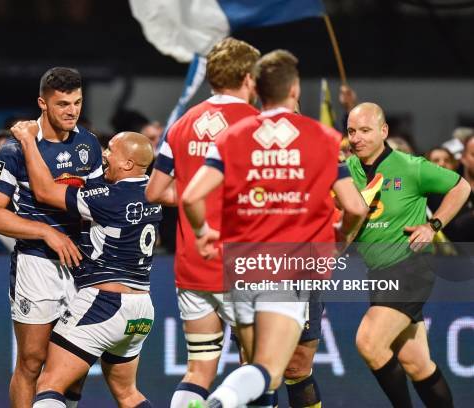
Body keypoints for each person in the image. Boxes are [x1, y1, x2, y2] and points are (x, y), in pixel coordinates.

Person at [182, 49, 368, 408]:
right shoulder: (324, 139)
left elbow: (191, 196)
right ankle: (221, 401)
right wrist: (341, 237)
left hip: (244, 269)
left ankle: (225, 399)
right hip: (296, 268)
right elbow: (356, 206)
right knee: (273, 368)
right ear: (295, 88)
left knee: (263, 366)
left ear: (255, 87)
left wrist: (203, 230)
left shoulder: (231, 137)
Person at [9, 121, 162, 408]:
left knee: (48, 383)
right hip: (141, 309)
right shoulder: (154, 195)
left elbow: (43, 191)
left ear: (128, 163)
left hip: (106, 304)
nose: (104, 154)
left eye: (111, 151)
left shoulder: (110, 198)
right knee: (128, 393)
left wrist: (29, 141)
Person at [145, 37, 260, 407]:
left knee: (198, 370)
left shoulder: (181, 125)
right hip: (242, 266)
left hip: (193, 265)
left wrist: (202, 195)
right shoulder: (258, 125)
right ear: (246, 77)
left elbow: (156, 191)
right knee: (258, 369)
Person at [0, 67, 103, 408]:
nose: (72, 111)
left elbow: (98, 203)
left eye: (77, 102)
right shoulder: (13, 150)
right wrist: (46, 232)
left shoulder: (88, 144)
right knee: (32, 362)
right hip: (37, 266)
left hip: (82, 265)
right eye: (63, 104)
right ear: (42, 104)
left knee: (73, 366)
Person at [346, 102, 471, 407]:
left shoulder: (410, 166)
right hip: (379, 273)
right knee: (418, 364)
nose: (357, 138)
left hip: (411, 267)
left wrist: (433, 224)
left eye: (365, 130)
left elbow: (461, 187)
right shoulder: (347, 170)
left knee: (369, 342)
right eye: (351, 131)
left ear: (384, 131)